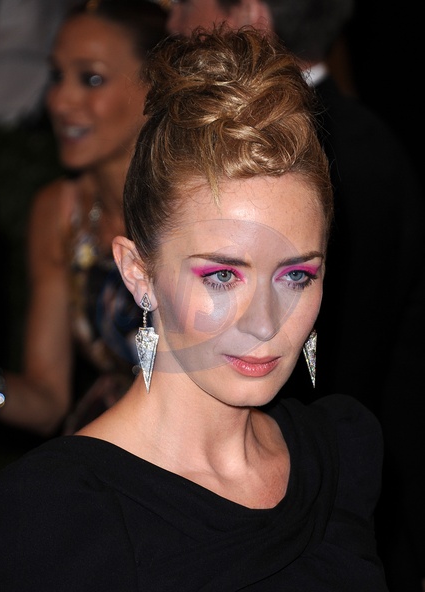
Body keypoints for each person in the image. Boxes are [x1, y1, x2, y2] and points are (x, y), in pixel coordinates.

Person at [0, 26, 388, 590]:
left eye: (296, 275)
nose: (264, 323)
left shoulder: (339, 455)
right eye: (222, 275)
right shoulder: (49, 518)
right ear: (138, 274)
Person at [167, 2, 425, 591]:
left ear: (251, 11)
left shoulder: (345, 154)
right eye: (223, 274)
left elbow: (355, 363)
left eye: (297, 276)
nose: (173, 18)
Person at [0, 0, 169, 438]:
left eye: (91, 78)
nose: (60, 100)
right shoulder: (61, 212)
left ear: (157, 88)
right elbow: (47, 401)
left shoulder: (203, 205)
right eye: (56, 76)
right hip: (110, 437)